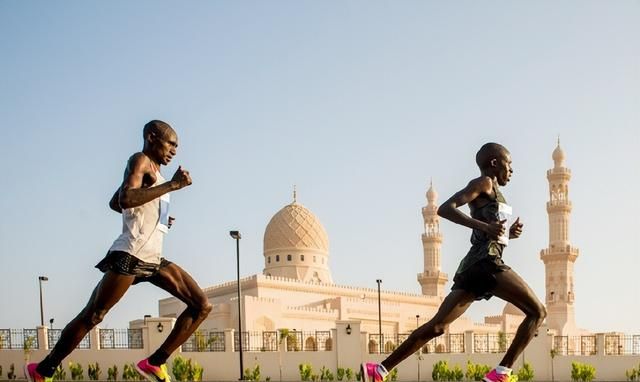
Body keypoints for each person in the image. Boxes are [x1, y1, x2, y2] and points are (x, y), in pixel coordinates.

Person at [26, 120, 212, 382]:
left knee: (201, 305)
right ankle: (43, 370)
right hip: (131, 254)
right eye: (170, 143)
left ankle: (154, 362)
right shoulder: (140, 160)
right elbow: (125, 199)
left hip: (152, 258)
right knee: (93, 315)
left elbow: (116, 203)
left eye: (177, 146)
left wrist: (156, 214)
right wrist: (172, 186)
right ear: (151, 137)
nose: (174, 150)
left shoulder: (154, 171)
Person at [360, 143, 546, 382]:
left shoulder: (494, 192)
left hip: (473, 267)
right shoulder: (484, 183)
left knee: (437, 326)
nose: (512, 170)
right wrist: (485, 226)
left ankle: (379, 370)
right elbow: (445, 209)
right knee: (537, 312)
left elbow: (486, 233)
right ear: (494, 163)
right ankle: (502, 372)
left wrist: (507, 234)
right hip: (486, 263)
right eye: (509, 164)